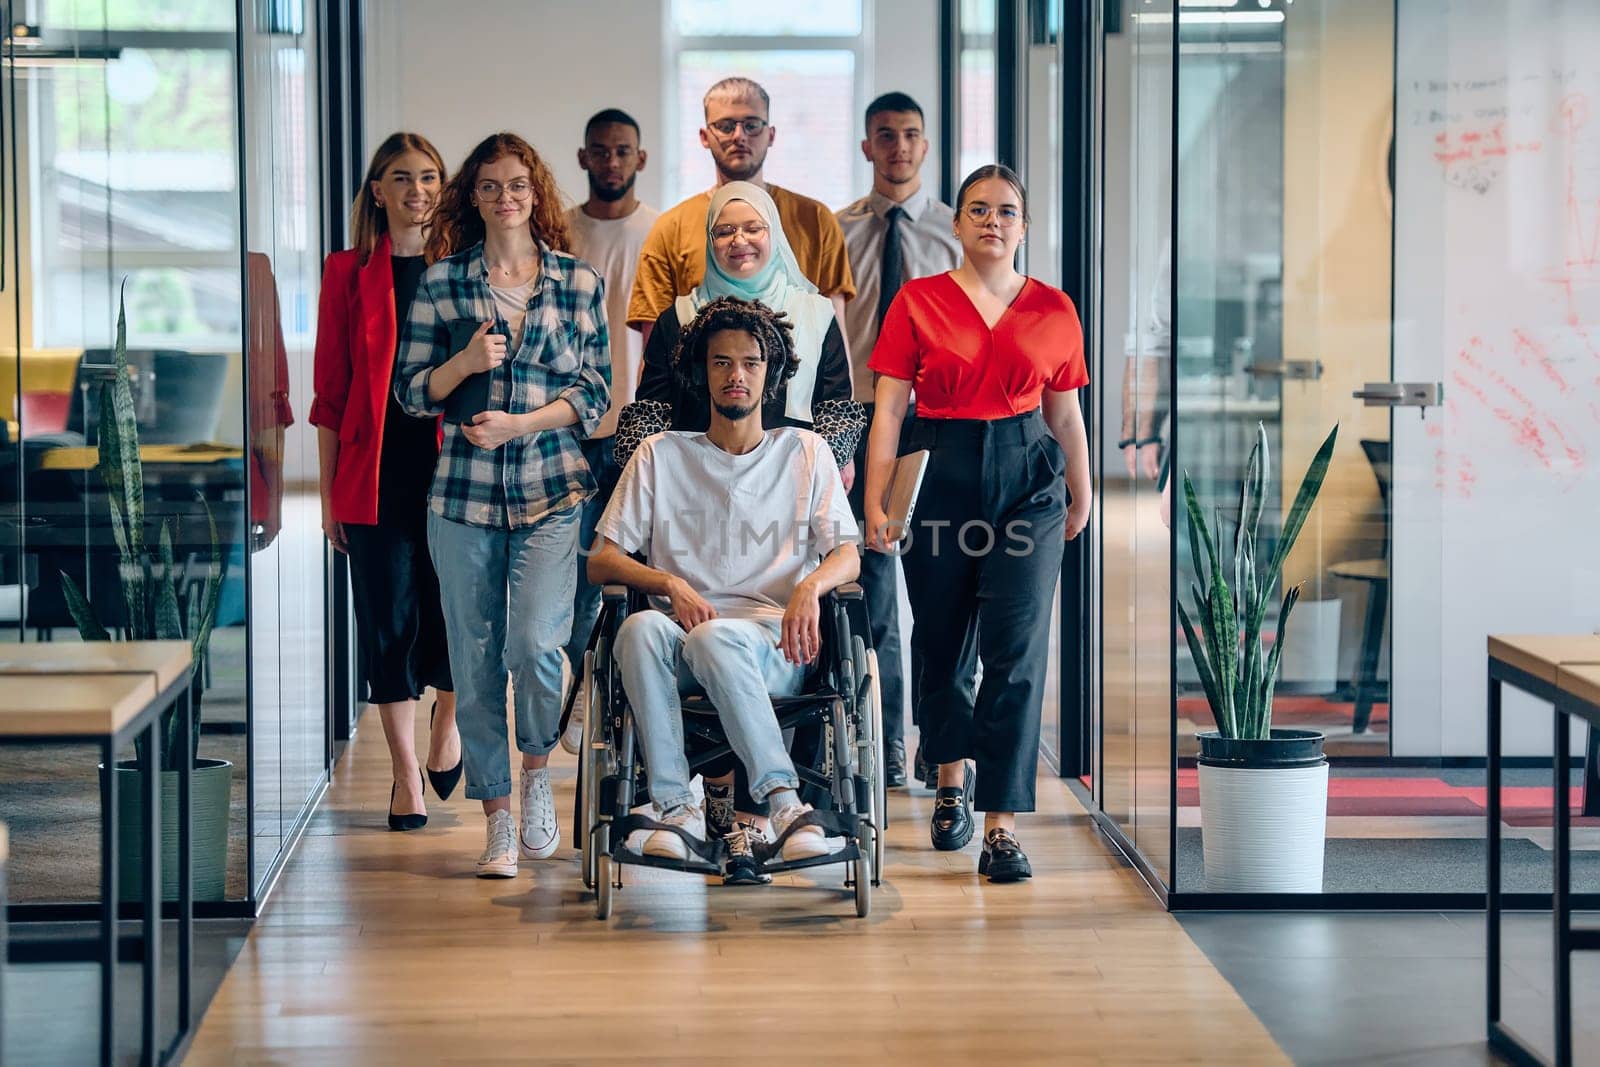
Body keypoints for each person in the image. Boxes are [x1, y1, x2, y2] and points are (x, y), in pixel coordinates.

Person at [862, 164, 1092, 883]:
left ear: (1025, 226)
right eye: (978, 209)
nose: (993, 220)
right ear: (956, 223)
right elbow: (891, 409)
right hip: (939, 472)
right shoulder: (917, 301)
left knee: (1016, 650)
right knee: (940, 643)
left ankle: (1001, 824)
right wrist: (877, 499)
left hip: (1028, 477)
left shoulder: (1054, 307)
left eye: (1007, 211)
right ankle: (952, 776)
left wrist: (1081, 493)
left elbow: (1064, 413)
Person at [394, 132, 611, 878]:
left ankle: (535, 773)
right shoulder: (442, 283)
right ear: (473, 197)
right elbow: (410, 391)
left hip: (553, 488)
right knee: (475, 660)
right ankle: (495, 817)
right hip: (461, 498)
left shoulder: (578, 283)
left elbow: (595, 392)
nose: (505, 197)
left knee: (535, 646)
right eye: (489, 186)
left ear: (536, 192)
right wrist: (462, 364)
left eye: (517, 184)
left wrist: (520, 423)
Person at [588, 297, 860, 883]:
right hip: (682, 643)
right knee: (637, 627)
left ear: (772, 371)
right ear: (699, 371)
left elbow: (847, 552)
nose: (736, 375)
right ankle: (675, 808)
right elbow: (601, 560)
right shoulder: (660, 455)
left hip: (771, 646)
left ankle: (783, 803)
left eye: (750, 362)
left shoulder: (805, 451)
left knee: (714, 638)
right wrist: (667, 583)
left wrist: (811, 584)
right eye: (721, 363)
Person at [311, 132, 460, 832]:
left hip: (455, 472)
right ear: (377, 189)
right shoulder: (347, 272)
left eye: (429, 177)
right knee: (388, 622)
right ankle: (405, 773)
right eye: (401, 178)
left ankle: (446, 729)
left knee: (456, 614)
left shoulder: (460, 268)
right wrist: (327, 493)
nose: (417, 191)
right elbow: (331, 393)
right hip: (373, 475)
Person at [835, 91, 962, 790]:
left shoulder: (955, 231)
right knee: (874, 590)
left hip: (938, 421)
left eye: (911, 135)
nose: (900, 147)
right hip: (861, 418)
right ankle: (884, 745)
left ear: (926, 143)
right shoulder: (838, 229)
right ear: (866, 147)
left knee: (940, 592)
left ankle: (935, 739)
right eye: (886, 135)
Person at [560, 108, 660, 754]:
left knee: (639, 580)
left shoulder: (661, 231)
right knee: (572, 583)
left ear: (640, 159)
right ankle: (574, 701)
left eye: (623, 150)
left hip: (639, 433)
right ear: (584, 158)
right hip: (571, 428)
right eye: (600, 151)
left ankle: (635, 715)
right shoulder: (559, 233)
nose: (612, 161)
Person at [626, 77, 855, 346]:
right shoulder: (671, 228)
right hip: (697, 384)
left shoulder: (815, 220)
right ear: (704, 136)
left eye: (751, 125)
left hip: (802, 384)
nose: (739, 136)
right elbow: (656, 351)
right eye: (725, 126)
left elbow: (835, 334)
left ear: (771, 134)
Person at [636, 182, 851, 443]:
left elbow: (836, 407)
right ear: (709, 240)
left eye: (753, 228)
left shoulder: (816, 313)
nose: (739, 240)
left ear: (774, 234)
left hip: (793, 471)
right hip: (695, 472)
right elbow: (651, 411)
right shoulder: (680, 318)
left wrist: (833, 462)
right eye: (725, 231)